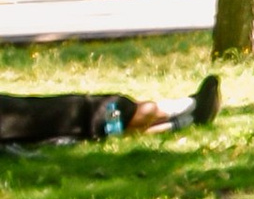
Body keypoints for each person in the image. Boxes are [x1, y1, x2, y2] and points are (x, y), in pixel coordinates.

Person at [0, 72, 219, 149]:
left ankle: (187, 118)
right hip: (84, 117)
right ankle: (190, 107)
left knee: (112, 128)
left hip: (73, 128)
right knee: (114, 112)